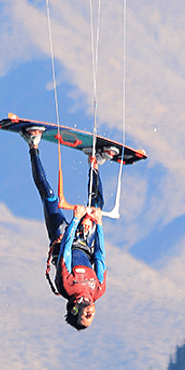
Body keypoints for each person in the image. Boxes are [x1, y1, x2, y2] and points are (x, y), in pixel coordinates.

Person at [21, 126, 119, 330]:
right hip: (84, 242)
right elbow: (100, 255)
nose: (91, 314)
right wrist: (98, 224)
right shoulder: (98, 291)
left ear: (75, 311)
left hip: (62, 237)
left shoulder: (66, 286)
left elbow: (65, 250)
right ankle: (95, 161)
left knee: (49, 196)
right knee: (96, 207)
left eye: (85, 317)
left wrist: (75, 221)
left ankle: (33, 144)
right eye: (91, 318)